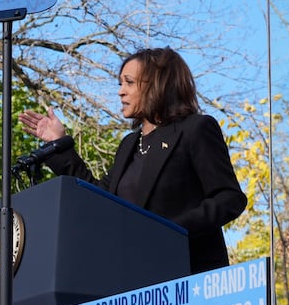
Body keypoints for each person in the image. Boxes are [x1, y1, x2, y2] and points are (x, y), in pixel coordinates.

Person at [19, 46, 246, 274]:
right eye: (120, 83)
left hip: (187, 273)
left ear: (157, 84)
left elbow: (229, 198)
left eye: (129, 82)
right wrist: (57, 144)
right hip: (133, 279)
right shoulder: (129, 144)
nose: (121, 92)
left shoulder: (195, 129)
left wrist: (172, 230)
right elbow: (98, 197)